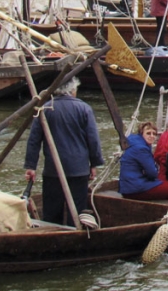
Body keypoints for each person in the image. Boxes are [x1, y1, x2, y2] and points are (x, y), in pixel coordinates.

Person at [24, 76, 104, 225]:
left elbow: (34, 140)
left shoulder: (46, 109)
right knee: (77, 212)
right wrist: (94, 163)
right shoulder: (84, 108)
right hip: (78, 169)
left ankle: (52, 237)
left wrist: (31, 166)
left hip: (53, 170)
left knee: (52, 213)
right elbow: (93, 140)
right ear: (72, 90)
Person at [119, 122, 168, 201]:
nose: (152, 136)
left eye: (154, 134)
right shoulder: (141, 148)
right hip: (134, 189)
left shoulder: (134, 142)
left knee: (163, 185)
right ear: (141, 134)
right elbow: (152, 173)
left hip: (128, 186)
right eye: (148, 133)